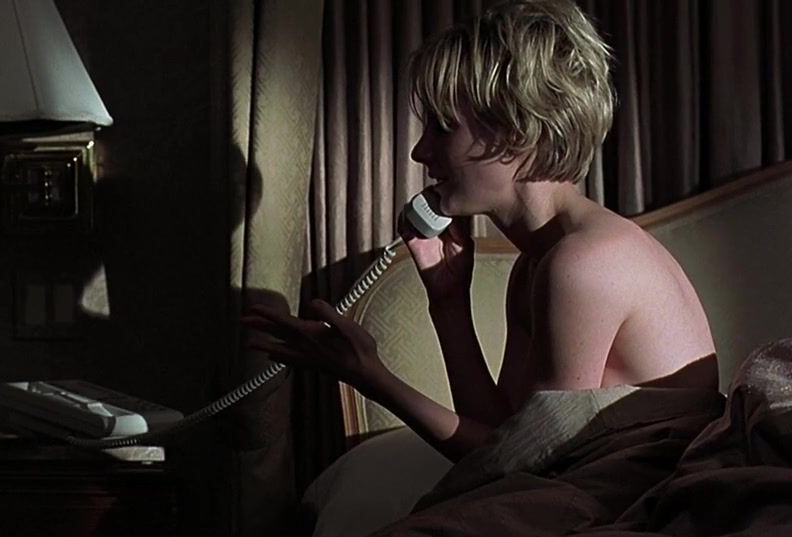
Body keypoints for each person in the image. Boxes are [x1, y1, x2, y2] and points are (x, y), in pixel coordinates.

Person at [242, 0, 717, 462]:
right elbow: (501, 441)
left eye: (443, 127)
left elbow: (528, 467)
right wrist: (448, 303)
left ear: (517, 131)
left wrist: (372, 377)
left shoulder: (583, 263)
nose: (420, 152)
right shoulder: (538, 262)